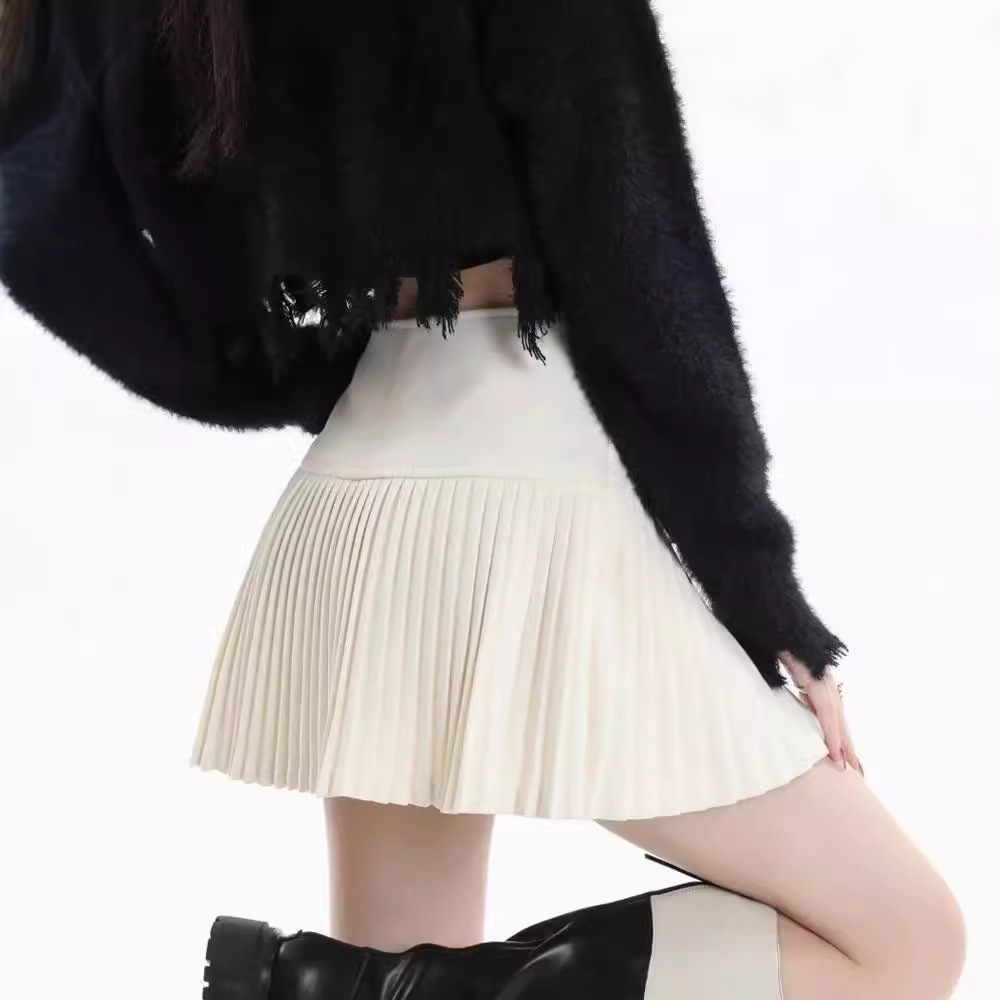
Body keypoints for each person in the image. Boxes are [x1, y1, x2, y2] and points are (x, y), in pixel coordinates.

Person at [0, 2, 966, 998]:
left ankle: (372, 986)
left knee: (382, 974)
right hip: (539, 490)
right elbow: (634, 252)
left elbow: (49, 222)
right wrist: (760, 588)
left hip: (364, 496)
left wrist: (301, 373)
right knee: (902, 940)